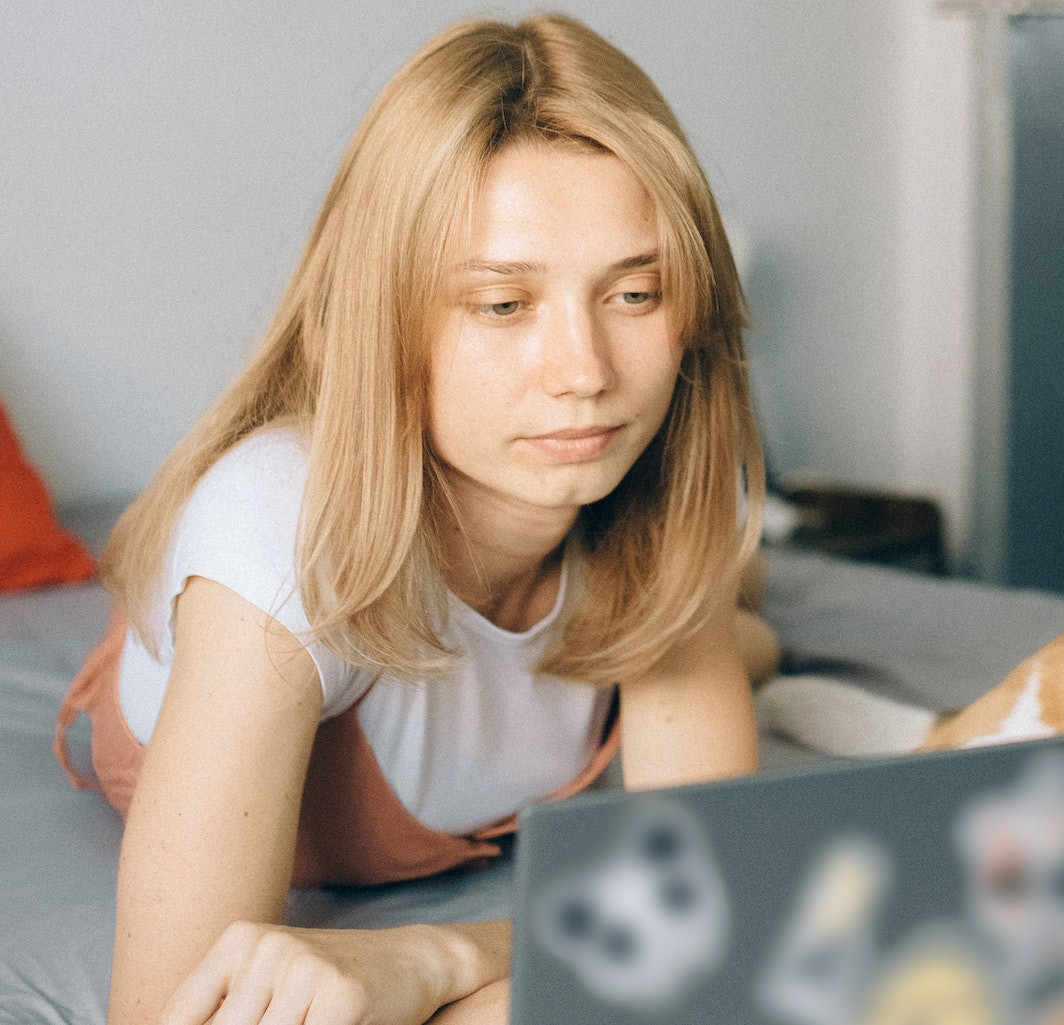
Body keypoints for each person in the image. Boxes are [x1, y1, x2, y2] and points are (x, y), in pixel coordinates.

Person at [51, 14, 779, 1024]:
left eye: (635, 292)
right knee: (728, 639)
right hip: (264, 661)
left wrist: (441, 952)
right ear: (387, 314)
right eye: (501, 305)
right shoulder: (277, 542)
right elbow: (172, 1010)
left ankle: (749, 624)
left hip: (553, 611)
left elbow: (714, 909)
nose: (586, 374)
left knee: (725, 618)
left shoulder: (654, 480)